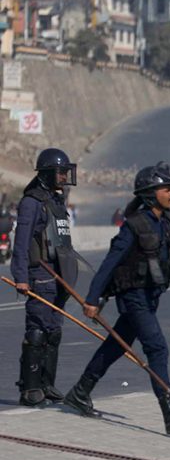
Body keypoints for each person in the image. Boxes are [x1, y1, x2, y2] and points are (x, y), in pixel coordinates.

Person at [63, 162, 170, 435]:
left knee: (115, 346)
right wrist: (92, 299)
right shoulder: (133, 226)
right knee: (157, 348)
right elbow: (110, 263)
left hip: (150, 298)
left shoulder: (166, 223)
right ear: (151, 193)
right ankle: (169, 411)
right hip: (134, 297)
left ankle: (80, 392)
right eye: (168, 188)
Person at [11, 148, 80, 406]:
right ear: (48, 173)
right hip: (40, 274)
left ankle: (47, 384)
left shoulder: (57, 201)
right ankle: (30, 388)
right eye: (61, 172)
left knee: (54, 332)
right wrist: (21, 277)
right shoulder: (31, 202)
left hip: (59, 275)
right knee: (38, 331)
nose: (64, 177)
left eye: (65, 172)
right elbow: (21, 242)